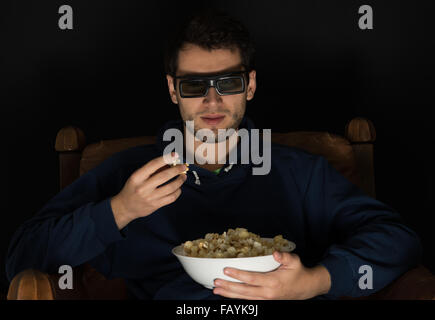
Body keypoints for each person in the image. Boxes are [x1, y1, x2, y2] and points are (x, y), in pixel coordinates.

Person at [6, 9, 422, 300]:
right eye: (193, 86)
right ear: (172, 90)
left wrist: (315, 281)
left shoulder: (302, 173)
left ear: (251, 85)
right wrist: (118, 210)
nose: (211, 100)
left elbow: (399, 241)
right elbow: (23, 258)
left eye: (228, 83)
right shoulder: (126, 175)